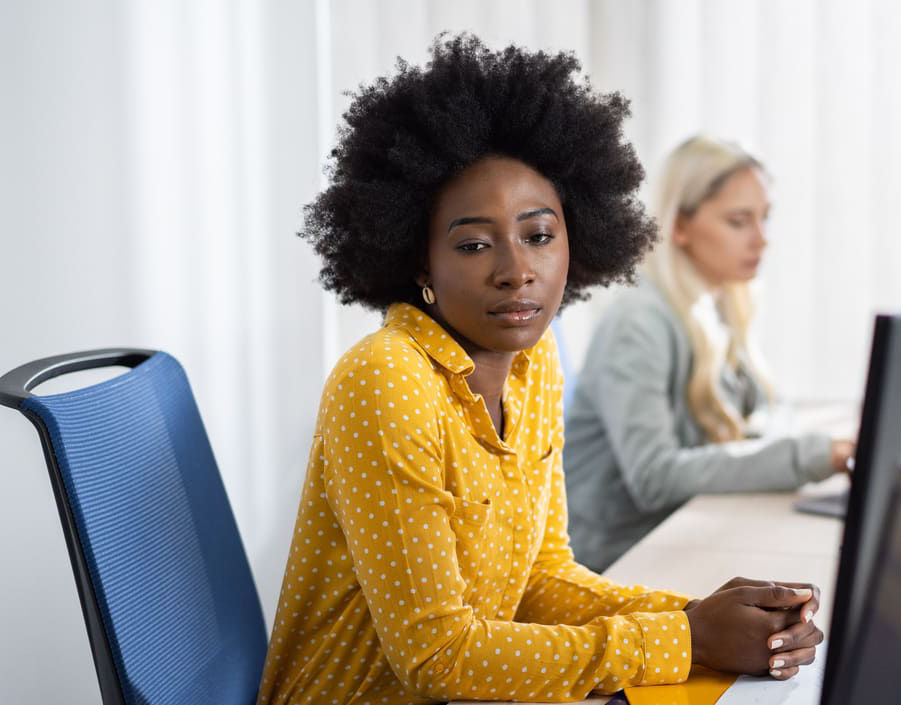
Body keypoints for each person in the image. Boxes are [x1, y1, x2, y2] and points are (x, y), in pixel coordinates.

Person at [257, 36, 825, 705]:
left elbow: (538, 579)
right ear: (418, 263)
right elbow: (438, 657)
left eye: (539, 234)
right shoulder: (386, 378)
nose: (516, 269)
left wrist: (699, 616)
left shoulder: (534, 361)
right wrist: (685, 638)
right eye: (473, 244)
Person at [564, 136, 855, 572]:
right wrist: (814, 455)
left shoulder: (717, 305)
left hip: (685, 535)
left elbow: (762, 415)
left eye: (765, 219)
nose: (762, 240)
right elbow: (654, 477)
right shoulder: (638, 323)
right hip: (620, 562)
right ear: (679, 227)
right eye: (739, 221)